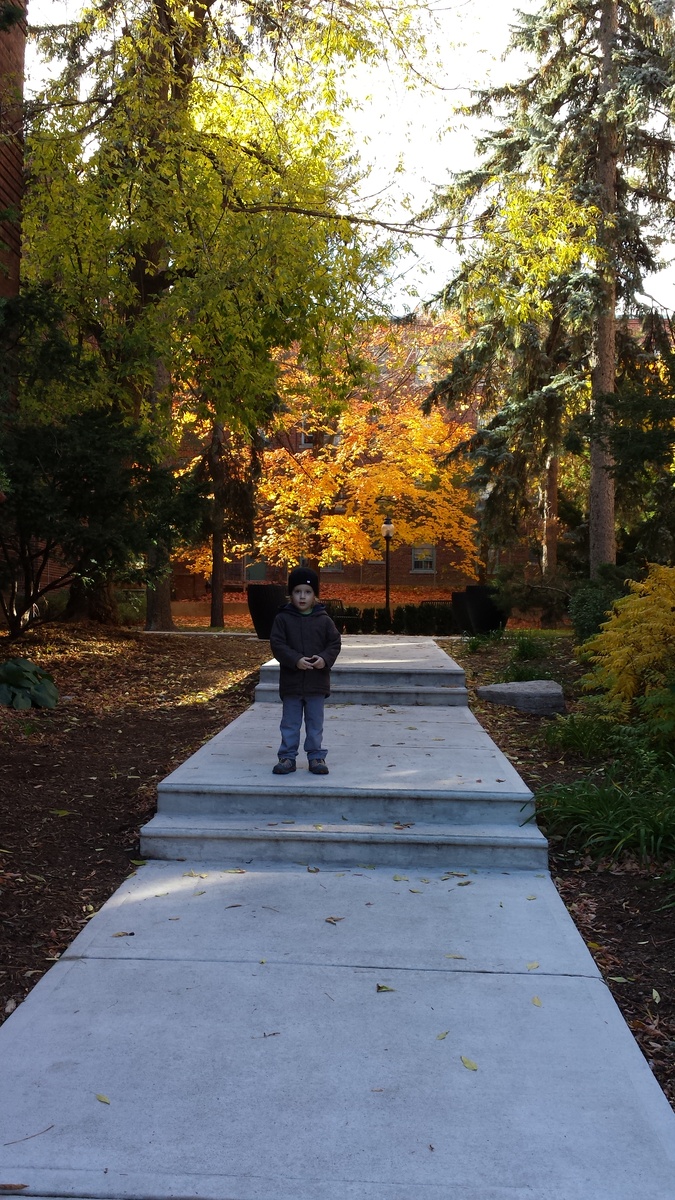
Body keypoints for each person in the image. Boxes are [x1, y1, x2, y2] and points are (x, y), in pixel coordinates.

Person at [269, 566, 341, 775]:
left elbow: (334, 643)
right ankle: (287, 757)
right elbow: (278, 644)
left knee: (314, 723)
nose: (302, 597)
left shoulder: (324, 620)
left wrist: (324, 659)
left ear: (315, 595)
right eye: (297, 592)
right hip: (291, 683)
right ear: (290, 594)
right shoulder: (283, 618)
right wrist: (295, 660)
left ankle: (316, 756)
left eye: (308, 592)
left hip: (316, 683)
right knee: (290, 723)